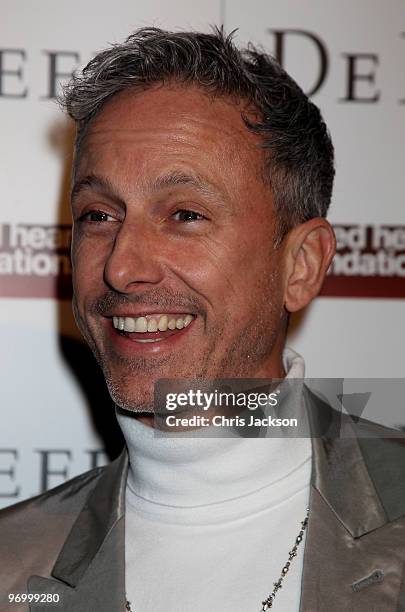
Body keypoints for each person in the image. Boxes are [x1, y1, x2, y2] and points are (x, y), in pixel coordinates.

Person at [1, 27, 405, 612]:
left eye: (184, 214)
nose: (122, 267)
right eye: (98, 215)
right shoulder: (12, 569)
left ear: (301, 266)